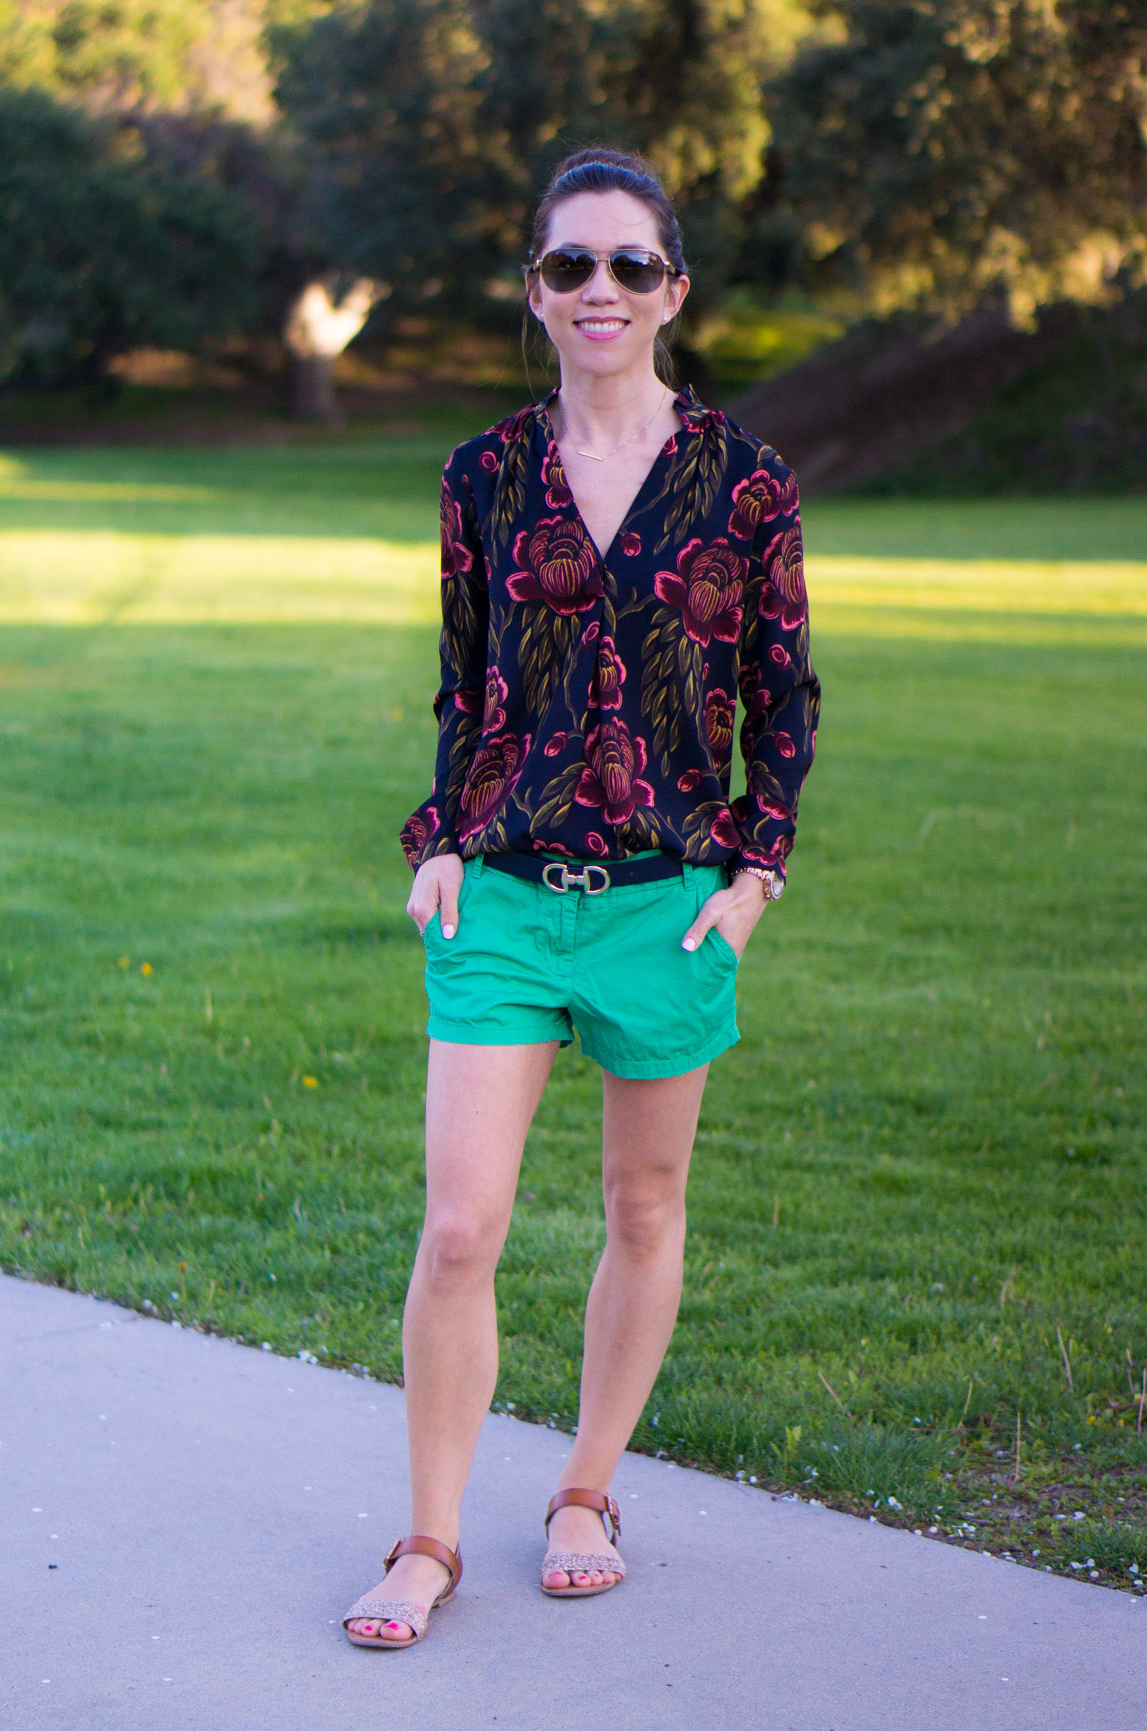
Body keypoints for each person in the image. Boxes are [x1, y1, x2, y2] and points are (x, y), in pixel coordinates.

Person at [344, 146, 819, 1649]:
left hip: (664, 904)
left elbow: (782, 695)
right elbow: (463, 680)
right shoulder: (482, 477)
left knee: (643, 1201)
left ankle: (587, 1490)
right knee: (464, 1224)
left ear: (673, 290)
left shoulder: (747, 482)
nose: (597, 290)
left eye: (628, 265)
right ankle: (427, 1540)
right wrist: (437, 835)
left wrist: (751, 879)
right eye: (569, 266)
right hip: (499, 895)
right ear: (534, 292)